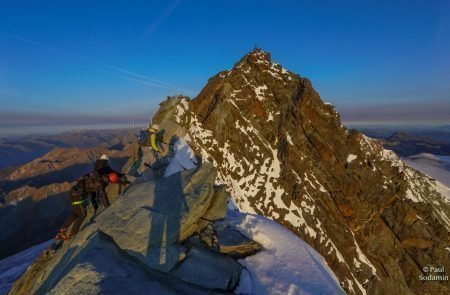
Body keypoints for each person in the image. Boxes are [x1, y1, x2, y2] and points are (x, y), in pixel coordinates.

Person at [56, 176, 89, 241]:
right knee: (82, 215)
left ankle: (61, 231)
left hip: (73, 199)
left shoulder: (81, 182)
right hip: (78, 200)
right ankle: (73, 233)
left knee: (74, 214)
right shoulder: (89, 182)